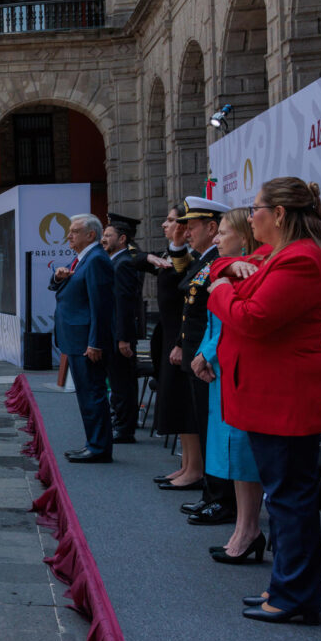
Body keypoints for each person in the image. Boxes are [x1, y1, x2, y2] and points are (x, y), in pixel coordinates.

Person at [206, 177, 321, 623]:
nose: (249, 214)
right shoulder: (276, 256)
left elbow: (253, 319)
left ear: (278, 214)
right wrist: (225, 274)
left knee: (290, 498)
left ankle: (295, 597)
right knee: (284, 496)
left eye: (255, 207)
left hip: (284, 398)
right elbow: (220, 266)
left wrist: (221, 292)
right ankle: (288, 588)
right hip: (269, 395)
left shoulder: (301, 261)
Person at [190, 208, 264, 564]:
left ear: (244, 238)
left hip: (236, 370)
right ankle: (243, 527)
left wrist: (207, 354)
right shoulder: (227, 268)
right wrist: (204, 353)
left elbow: (234, 322)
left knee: (243, 453)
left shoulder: (249, 270)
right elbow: (213, 322)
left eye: (223, 233)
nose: (216, 239)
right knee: (232, 454)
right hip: (220, 368)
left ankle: (249, 529)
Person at [173, 197, 237, 526]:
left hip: (211, 358)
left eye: (192, 227)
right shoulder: (205, 261)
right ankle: (212, 495)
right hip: (202, 355)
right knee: (207, 427)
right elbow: (188, 294)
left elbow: (217, 318)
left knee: (218, 432)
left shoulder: (226, 264)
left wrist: (202, 353)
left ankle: (221, 499)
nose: (186, 233)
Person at [50, 214, 114, 463]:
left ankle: (98, 447)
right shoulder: (82, 258)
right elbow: (62, 287)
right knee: (86, 395)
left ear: (90, 234)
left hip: (87, 342)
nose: (69, 235)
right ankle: (93, 443)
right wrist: (58, 277)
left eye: (74, 231)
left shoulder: (96, 259)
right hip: (76, 338)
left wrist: (95, 342)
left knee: (93, 394)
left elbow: (101, 306)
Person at [152, 207, 204, 491]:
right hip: (171, 334)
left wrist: (181, 342)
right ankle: (186, 464)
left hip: (181, 338)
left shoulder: (191, 258)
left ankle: (195, 468)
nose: (166, 225)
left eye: (172, 220)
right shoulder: (172, 255)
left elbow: (190, 304)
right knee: (175, 401)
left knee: (185, 405)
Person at [102, 214, 141, 443]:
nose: (104, 239)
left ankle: (125, 429)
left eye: (108, 236)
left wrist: (123, 338)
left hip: (121, 334)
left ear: (122, 238)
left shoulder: (124, 262)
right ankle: (121, 422)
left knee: (123, 382)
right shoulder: (116, 260)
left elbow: (125, 304)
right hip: (115, 332)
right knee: (117, 382)